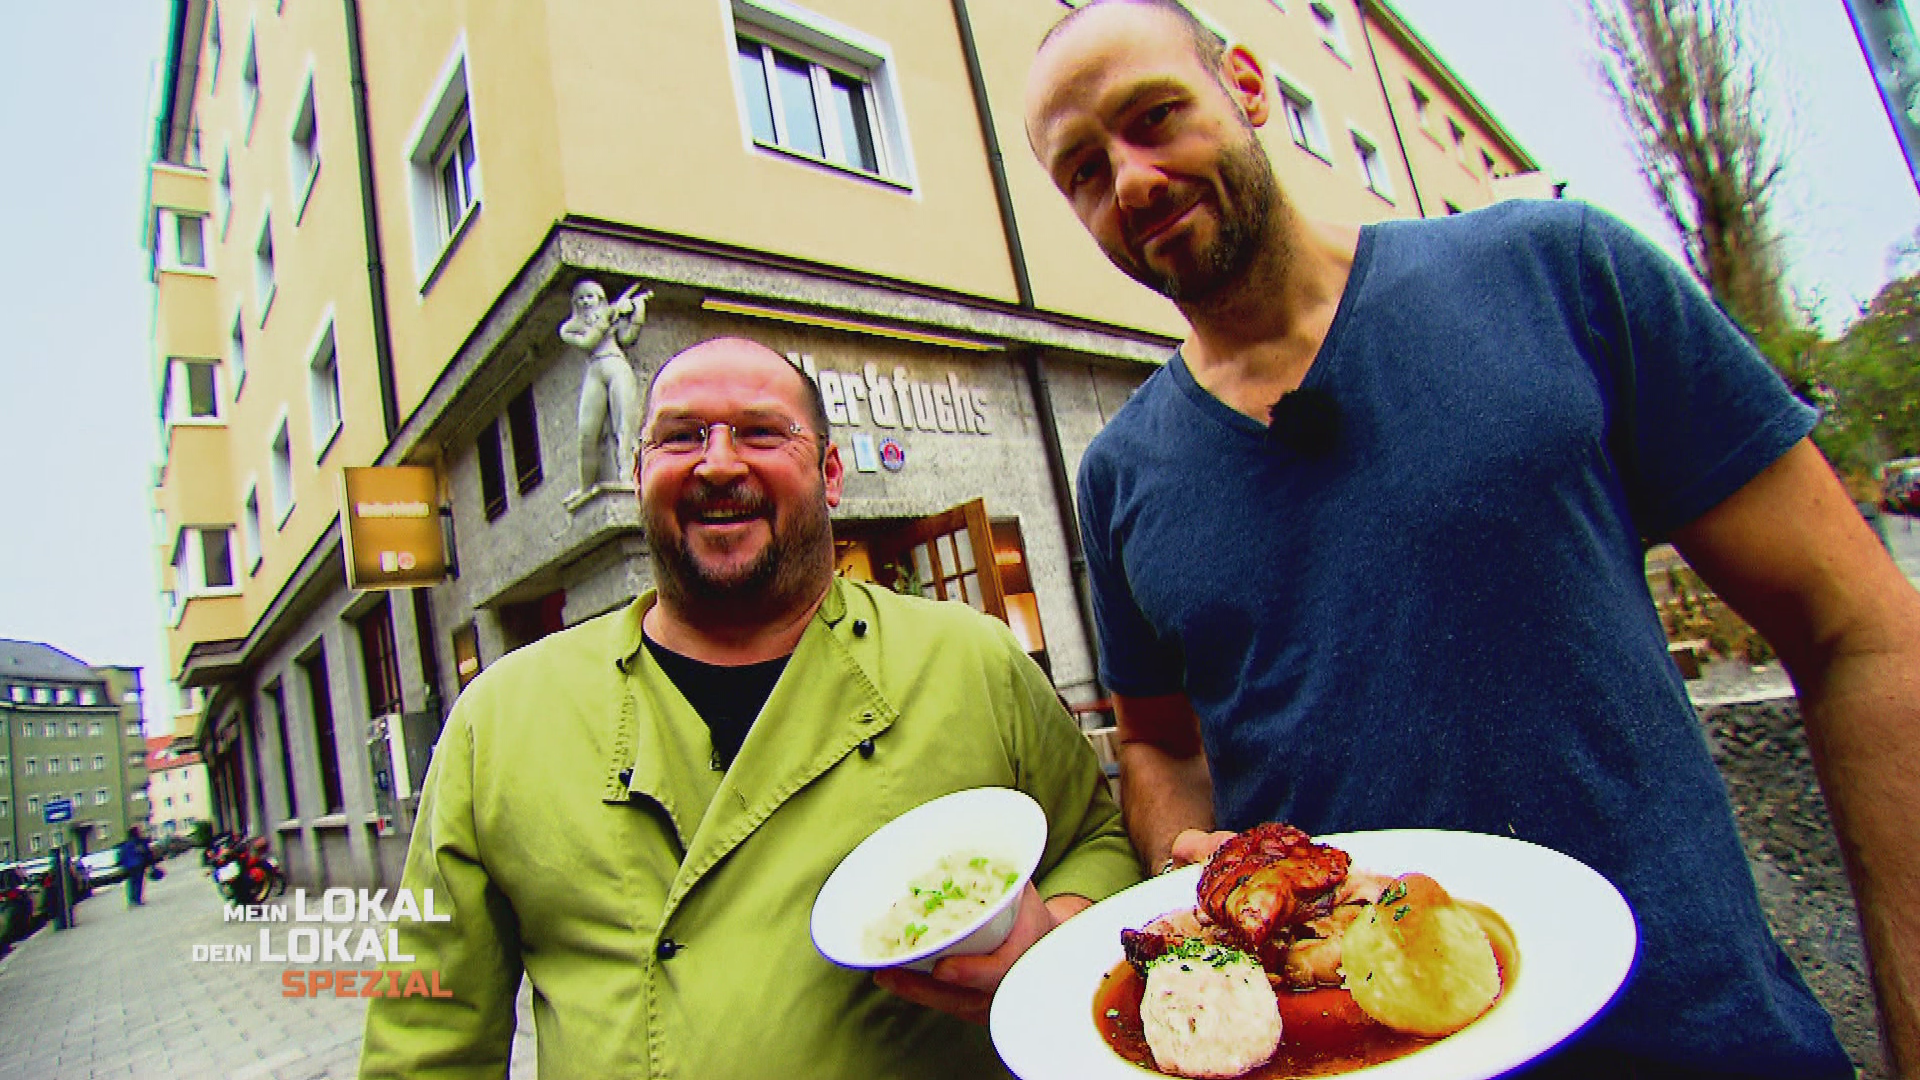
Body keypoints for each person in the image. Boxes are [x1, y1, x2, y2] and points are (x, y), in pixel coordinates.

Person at [1023, 2, 1920, 1076]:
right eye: (1081, 170)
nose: (1129, 181)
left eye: (1154, 117)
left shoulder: (1557, 273)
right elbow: (1161, 743)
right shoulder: (1120, 472)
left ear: (1250, 87)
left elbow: (1857, 630)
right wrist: (1193, 867)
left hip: (1699, 1040)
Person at [359, 336, 1139, 1079]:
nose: (718, 462)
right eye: (680, 436)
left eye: (763, 433)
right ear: (637, 476)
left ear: (831, 475)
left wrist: (1059, 927)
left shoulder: (971, 660)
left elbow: (1096, 838)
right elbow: (427, 1037)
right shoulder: (499, 721)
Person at [560, 278, 649, 492]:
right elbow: (587, 342)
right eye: (580, 298)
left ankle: (629, 476)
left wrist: (637, 310)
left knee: (625, 427)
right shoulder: (569, 328)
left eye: (590, 296)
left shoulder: (610, 315)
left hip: (617, 365)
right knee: (587, 434)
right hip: (594, 370)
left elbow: (627, 338)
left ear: (599, 298)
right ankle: (585, 487)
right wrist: (606, 319)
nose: (585, 302)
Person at [117, 827, 154, 907]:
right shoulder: (137, 843)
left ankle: (131, 900)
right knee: (138, 883)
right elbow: (143, 851)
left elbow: (121, 856)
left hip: (129, 867)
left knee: (131, 883)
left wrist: (123, 865)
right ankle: (137, 900)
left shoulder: (125, 844)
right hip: (138, 865)